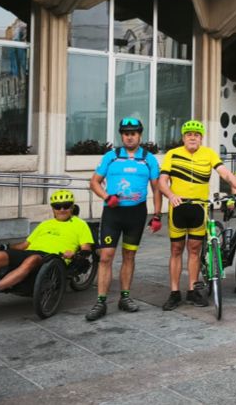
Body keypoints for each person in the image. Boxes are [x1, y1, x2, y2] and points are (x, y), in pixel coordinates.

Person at [0, 190, 94, 320]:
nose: (62, 209)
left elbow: (86, 248)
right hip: (29, 252)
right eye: (58, 206)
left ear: (72, 207)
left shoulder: (80, 224)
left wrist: (74, 254)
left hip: (53, 257)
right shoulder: (45, 224)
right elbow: (25, 245)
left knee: (32, 259)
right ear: (53, 208)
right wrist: (4, 247)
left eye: (66, 206)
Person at [157, 120, 236, 311]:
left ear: (201, 138)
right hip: (178, 207)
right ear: (183, 137)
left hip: (199, 208)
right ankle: (174, 292)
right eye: (189, 134)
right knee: (176, 249)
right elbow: (162, 181)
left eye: (196, 135)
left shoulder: (208, 154)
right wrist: (171, 195)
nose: (192, 137)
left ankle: (192, 290)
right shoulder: (173, 154)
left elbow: (224, 173)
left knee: (195, 249)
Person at [87, 117, 162, 321]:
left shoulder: (149, 159)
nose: (130, 136)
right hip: (113, 214)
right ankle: (100, 301)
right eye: (126, 133)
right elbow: (94, 182)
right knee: (106, 257)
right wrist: (106, 197)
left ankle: (125, 297)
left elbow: (156, 189)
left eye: (134, 133)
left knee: (129, 256)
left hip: (136, 214)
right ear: (122, 135)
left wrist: (157, 215)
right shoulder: (111, 157)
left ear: (140, 135)